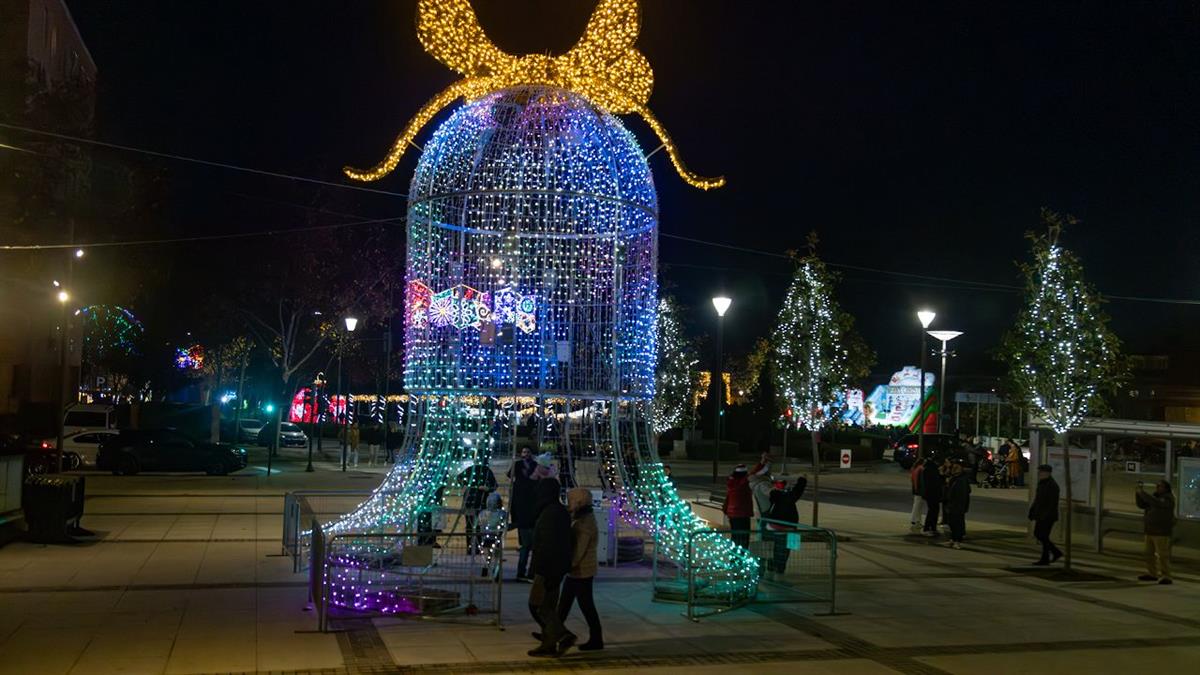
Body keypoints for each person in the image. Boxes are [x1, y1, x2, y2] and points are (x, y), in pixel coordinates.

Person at [528, 478, 574, 657]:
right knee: (547, 605)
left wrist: (538, 570)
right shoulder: (558, 510)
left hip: (547, 568)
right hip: (557, 566)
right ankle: (549, 643)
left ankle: (562, 634)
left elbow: (546, 545)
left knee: (538, 606)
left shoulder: (550, 513)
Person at [557, 488, 604, 651]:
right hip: (577, 571)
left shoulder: (585, 523)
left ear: (578, 502)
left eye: (570, 500)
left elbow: (579, 550)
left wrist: (569, 565)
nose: (568, 503)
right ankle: (552, 632)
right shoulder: (582, 517)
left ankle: (597, 639)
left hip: (582, 571)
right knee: (564, 604)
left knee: (586, 606)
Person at [764, 476, 808, 574]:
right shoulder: (791, 496)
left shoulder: (773, 495)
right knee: (784, 550)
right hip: (788, 528)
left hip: (772, 526)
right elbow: (799, 490)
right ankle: (780, 569)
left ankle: (771, 567)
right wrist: (802, 480)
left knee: (772, 548)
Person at [1136, 480, 1176, 584]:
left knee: (1162, 555)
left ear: (1166, 488)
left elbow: (1156, 503)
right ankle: (1152, 573)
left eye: (1160, 486)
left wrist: (1143, 493)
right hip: (1150, 530)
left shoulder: (1168, 499)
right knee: (1148, 554)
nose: (1157, 488)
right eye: (1157, 486)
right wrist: (1138, 493)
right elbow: (1141, 504)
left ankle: (1166, 576)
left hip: (1161, 532)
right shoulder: (1154, 497)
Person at [508, 446, 538, 582]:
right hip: (526, 518)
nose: (525, 454)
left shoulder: (535, 467)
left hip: (526, 518)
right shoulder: (518, 466)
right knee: (527, 546)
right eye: (523, 452)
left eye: (527, 452)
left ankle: (525, 572)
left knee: (527, 546)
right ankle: (526, 572)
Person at [456, 460, 497, 554]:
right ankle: (473, 547)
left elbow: (493, 485)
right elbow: (459, 478)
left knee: (477, 524)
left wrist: (486, 488)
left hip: (478, 501)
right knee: (473, 524)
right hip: (474, 501)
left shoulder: (484, 470)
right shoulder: (476, 469)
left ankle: (475, 547)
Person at [1028, 463, 1062, 565]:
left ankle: (1053, 554)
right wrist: (1032, 511)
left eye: (1041, 471)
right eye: (1039, 471)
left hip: (1048, 516)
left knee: (1042, 535)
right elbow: (1037, 499)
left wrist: (1044, 515)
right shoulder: (1042, 483)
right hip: (1041, 514)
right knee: (1040, 535)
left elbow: (1051, 503)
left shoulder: (1052, 485)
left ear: (1048, 473)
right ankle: (1048, 556)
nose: (1039, 473)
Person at [943, 459, 971, 549]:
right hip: (952, 505)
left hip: (958, 506)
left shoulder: (962, 480)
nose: (954, 469)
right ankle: (952, 539)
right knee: (952, 523)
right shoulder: (954, 479)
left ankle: (957, 541)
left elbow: (963, 494)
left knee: (957, 523)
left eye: (957, 467)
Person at [723, 464, 754, 547]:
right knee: (744, 537)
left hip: (732, 514)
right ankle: (741, 556)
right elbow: (753, 473)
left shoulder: (731, 482)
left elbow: (728, 497)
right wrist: (762, 462)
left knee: (735, 536)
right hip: (742, 513)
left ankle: (734, 556)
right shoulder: (742, 483)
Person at [920, 456, 944, 536]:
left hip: (931, 494)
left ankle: (932, 528)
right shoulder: (931, 470)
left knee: (934, 511)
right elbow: (933, 483)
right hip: (932, 494)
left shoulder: (929, 469)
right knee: (932, 511)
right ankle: (927, 528)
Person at [909, 458, 927, 533]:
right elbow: (919, 481)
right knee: (918, 506)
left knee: (916, 505)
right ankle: (915, 520)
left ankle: (917, 520)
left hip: (916, 490)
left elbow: (913, 480)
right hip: (919, 490)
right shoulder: (921, 469)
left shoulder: (914, 468)